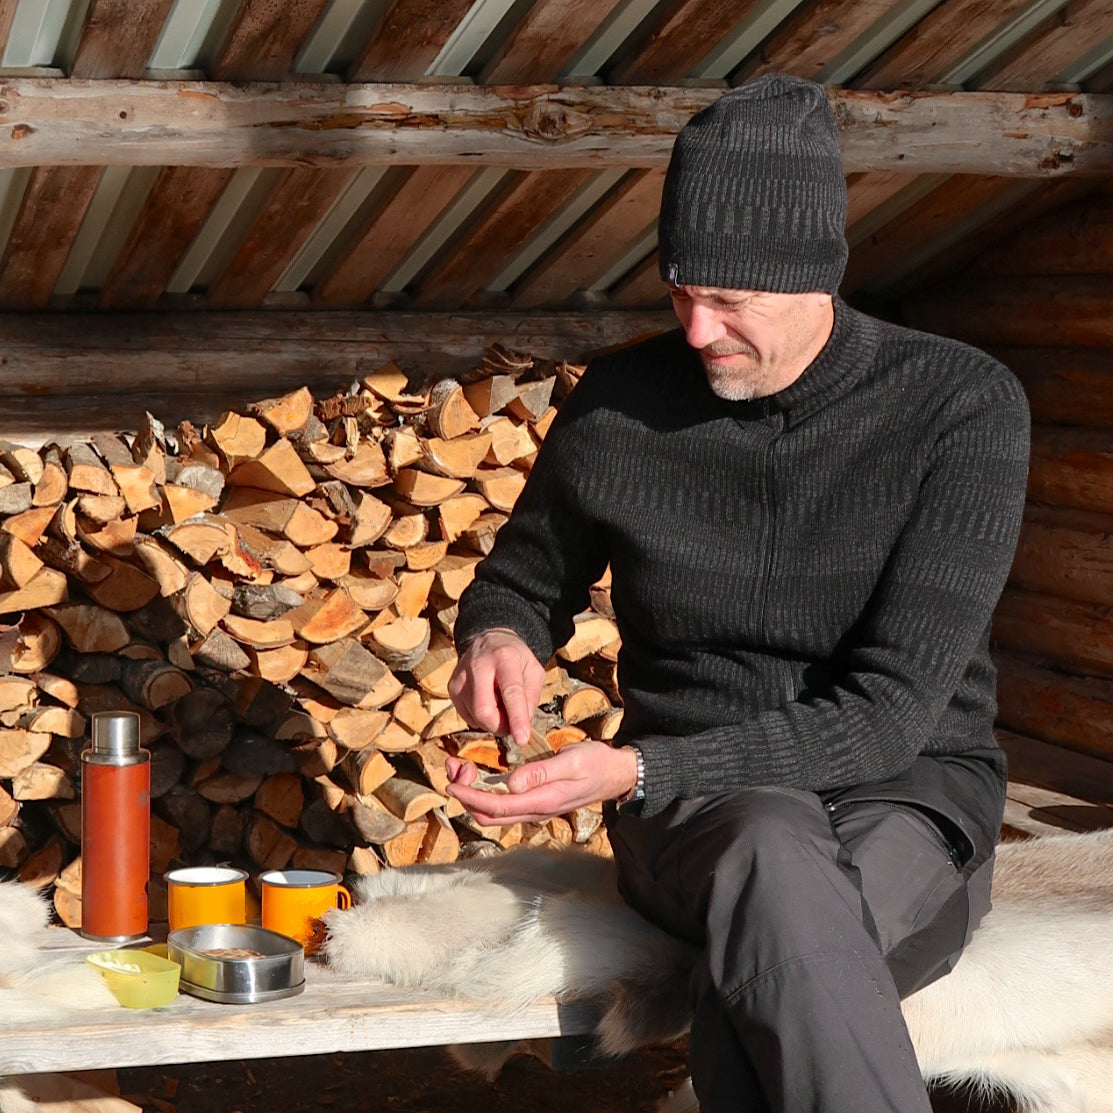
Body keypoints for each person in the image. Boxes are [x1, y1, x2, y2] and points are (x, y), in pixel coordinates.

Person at [444, 73, 1030, 1113]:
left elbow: (892, 714)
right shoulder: (624, 404)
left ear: (820, 280)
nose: (698, 329)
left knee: (771, 948)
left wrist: (629, 766)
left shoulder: (958, 406)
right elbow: (524, 577)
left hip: (904, 792)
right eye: (680, 293)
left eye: (730, 300)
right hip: (700, 815)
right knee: (768, 855)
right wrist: (499, 636)